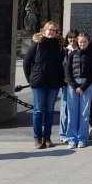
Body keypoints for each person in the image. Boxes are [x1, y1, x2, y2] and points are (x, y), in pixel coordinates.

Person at [23, 20, 65, 149]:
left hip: (53, 83)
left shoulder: (59, 46)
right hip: (39, 82)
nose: (51, 32)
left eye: (54, 30)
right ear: (44, 31)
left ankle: (47, 137)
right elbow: (26, 63)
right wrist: (30, 79)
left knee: (49, 111)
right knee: (38, 110)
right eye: (49, 29)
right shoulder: (37, 44)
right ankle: (37, 138)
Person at [64, 32, 92, 148]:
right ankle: (71, 138)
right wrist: (75, 86)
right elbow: (67, 72)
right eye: (80, 42)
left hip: (86, 85)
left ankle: (82, 138)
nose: (82, 44)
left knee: (84, 113)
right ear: (77, 42)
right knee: (72, 112)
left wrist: (84, 86)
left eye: (85, 41)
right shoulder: (72, 54)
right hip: (73, 85)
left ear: (88, 42)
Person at [59, 29, 79, 143]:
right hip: (66, 84)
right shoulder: (63, 51)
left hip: (78, 84)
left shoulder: (80, 50)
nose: (72, 39)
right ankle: (63, 133)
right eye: (70, 37)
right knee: (65, 109)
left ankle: (73, 131)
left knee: (75, 110)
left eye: (74, 37)